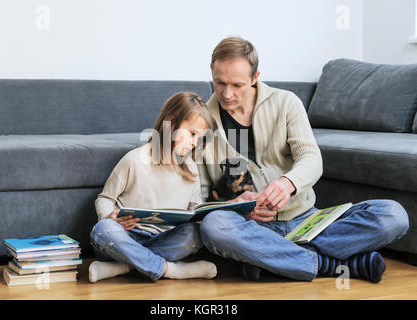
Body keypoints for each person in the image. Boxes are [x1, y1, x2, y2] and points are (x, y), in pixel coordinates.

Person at [197, 36, 410, 283]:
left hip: (307, 220)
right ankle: (329, 263)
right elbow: (198, 198)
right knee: (214, 227)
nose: (227, 93)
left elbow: (311, 158)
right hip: (253, 229)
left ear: (255, 78)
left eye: (237, 84)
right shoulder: (200, 121)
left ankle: (270, 260)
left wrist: (288, 183)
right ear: (211, 72)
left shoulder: (286, 102)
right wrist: (236, 205)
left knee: (393, 215)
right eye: (219, 82)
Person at [88, 91, 218, 282]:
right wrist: (109, 216)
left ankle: (125, 266)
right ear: (171, 122)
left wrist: (200, 218)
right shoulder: (134, 160)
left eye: (199, 138)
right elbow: (105, 199)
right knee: (103, 229)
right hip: (125, 236)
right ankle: (170, 270)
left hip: (162, 239)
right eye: (191, 134)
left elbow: (195, 209)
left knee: (196, 233)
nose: (194, 143)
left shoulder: (191, 168)